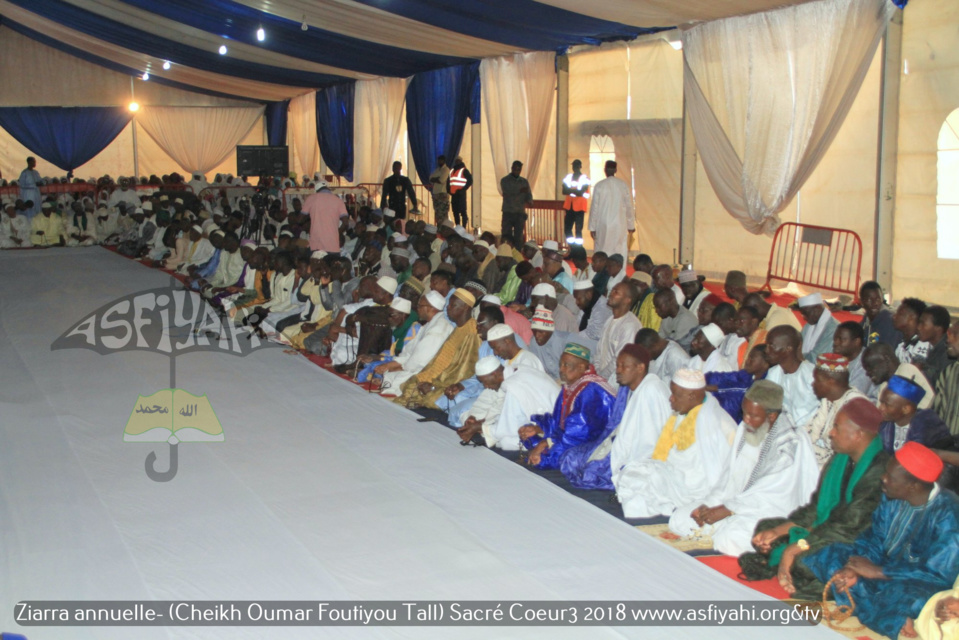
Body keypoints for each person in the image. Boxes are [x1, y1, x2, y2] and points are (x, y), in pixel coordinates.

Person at [803, 443, 959, 639]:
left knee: (916, 601)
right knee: (830, 554)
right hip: (879, 569)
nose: (883, 478)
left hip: (914, 582)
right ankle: (889, 615)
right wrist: (854, 567)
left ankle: (876, 607)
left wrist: (880, 572)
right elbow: (873, 538)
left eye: (890, 477)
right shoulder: (891, 495)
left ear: (913, 486)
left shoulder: (950, 515)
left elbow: (938, 574)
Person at [742, 398, 890, 600]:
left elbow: (848, 528)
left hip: (856, 543)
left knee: (803, 561)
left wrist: (797, 547)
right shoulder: (841, 459)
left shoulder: (879, 472)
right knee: (765, 529)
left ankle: (796, 568)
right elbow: (816, 508)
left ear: (858, 435)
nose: (831, 433)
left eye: (837, 427)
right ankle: (790, 564)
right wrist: (778, 531)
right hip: (824, 531)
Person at [669, 380, 819, 556]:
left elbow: (773, 498)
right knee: (679, 518)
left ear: (772, 416)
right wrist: (709, 506)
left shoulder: (789, 445)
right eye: (744, 413)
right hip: (733, 504)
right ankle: (721, 526)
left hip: (770, 514)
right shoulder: (745, 428)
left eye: (753, 416)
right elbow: (728, 478)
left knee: (729, 539)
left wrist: (727, 510)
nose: (746, 420)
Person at [615, 368, 737, 518]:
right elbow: (666, 456)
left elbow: (725, 470)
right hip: (673, 476)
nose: (670, 398)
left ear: (691, 396)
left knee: (644, 484)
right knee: (633, 474)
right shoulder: (682, 413)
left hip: (695, 488)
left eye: (676, 395)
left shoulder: (719, 422)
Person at [562, 344, 671, 490]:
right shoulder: (627, 388)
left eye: (624, 366)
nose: (618, 370)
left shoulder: (652, 390)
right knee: (569, 457)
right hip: (618, 443)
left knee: (590, 474)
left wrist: (622, 462)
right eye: (618, 365)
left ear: (640, 368)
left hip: (644, 458)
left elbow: (650, 441)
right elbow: (615, 425)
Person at [518, 343, 616, 469]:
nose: (561, 369)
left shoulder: (592, 390)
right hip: (569, 438)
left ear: (581, 367)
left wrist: (545, 443)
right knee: (529, 435)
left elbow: (580, 433)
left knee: (565, 458)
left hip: (594, 444)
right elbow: (558, 422)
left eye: (566, 365)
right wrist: (538, 429)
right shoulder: (572, 385)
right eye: (560, 365)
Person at [393, 289, 480, 409]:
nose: (447, 308)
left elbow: (464, 370)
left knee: (431, 399)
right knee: (411, 383)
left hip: (449, 384)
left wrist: (435, 386)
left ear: (465, 307)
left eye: (452, 305)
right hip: (438, 377)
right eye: (448, 304)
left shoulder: (472, 332)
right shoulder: (459, 327)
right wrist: (429, 378)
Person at [457, 356, 560, 451]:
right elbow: (501, 406)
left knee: (506, 442)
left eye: (484, 382)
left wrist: (481, 428)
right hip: (545, 414)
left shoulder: (513, 385)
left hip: (553, 424)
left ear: (494, 374)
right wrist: (480, 421)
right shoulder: (513, 371)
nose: (485, 386)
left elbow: (511, 425)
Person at [377, 291, 453, 394]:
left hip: (425, 372)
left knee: (394, 382)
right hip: (413, 368)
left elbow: (419, 361)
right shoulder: (429, 325)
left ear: (430, 308)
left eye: (420, 306)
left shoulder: (438, 329)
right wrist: (389, 365)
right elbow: (409, 351)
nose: (417, 309)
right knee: (387, 375)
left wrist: (398, 368)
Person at [803, 353, 867, 468]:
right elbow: (812, 431)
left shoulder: (856, 405)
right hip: (821, 460)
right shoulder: (828, 399)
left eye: (817, 380)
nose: (813, 384)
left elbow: (842, 452)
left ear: (831, 382)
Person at [878, 375, 952, 453]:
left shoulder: (926, 425)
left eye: (887, 405)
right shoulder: (885, 426)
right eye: (881, 402)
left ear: (906, 409)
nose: (880, 407)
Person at [765, 326, 819, 431]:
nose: (767, 350)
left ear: (788, 349)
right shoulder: (773, 373)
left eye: (772, 346)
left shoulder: (812, 376)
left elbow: (805, 418)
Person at [595, 281, 643, 387]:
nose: (611, 294)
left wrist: (601, 378)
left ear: (627, 300)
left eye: (616, 292)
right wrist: (596, 373)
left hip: (616, 383)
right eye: (612, 290)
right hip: (601, 379)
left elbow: (619, 359)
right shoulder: (609, 320)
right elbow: (599, 350)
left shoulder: (630, 325)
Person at [862, 342, 936, 409]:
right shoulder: (883, 387)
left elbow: (906, 412)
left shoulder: (906, 370)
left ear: (886, 359)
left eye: (870, 367)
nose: (867, 373)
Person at [588, 160, 634, 259]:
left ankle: (602, 267)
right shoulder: (623, 185)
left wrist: (592, 227)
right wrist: (631, 225)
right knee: (619, 250)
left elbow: (594, 208)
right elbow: (629, 206)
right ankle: (620, 268)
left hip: (603, 224)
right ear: (615, 170)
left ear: (604, 170)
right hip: (619, 224)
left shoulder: (599, 185)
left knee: (602, 249)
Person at [526, 307, 570, 380]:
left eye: (541, 332)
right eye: (534, 331)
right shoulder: (534, 343)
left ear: (550, 331)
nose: (537, 335)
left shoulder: (563, 341)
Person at [305, 178, 347, 253]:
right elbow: (346, 223)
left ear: (316, 190)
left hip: (316, 244)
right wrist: (337, 232)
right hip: (333, 245)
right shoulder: (338, 201)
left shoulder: (311, 199)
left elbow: (301, 219)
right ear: (328, 188)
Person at [796, 292, 839, 363]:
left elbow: (818, 357)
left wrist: (794, 357)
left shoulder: (833, 328)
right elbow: (799, 344)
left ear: (817, 308)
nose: (804, 318)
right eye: (802, 314)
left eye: (806, 313)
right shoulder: (809, 325)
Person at [933, 321, 959, 435]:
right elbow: (938, 415)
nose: (948, 340)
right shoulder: (948, 373)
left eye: (955, 334)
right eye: (949, 334)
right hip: (947, 442)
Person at [832, 321, 872, 395]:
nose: (835, 343)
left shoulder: (866, 363)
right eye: (835, 339)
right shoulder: (839, 356)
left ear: (857, 342)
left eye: (841, 339)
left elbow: (852, 395)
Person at [917, 305, 952, 388]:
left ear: (938, 329)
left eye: (923, 324)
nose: (918, 327)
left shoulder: (947, 354)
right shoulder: (934, 348)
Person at [859, 280, 901, 347]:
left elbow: (887, 351)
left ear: (882, 299)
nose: (875, 303)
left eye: (878, 299)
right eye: (869, 300)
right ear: (861, 302)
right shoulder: (865, 322)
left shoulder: (890, 322)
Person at [500, 160, 532, 247]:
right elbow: (507, 193)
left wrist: (530, 200)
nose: (517, 171)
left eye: (519, 169)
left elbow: (528, 193)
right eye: (515, 169)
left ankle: (517, 252)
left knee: (519, 236)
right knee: (506, 235)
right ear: (512, 168)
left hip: (519, 212)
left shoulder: (524, 181)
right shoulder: (505, 180)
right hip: (508, 212)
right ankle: (505, 251)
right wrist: (520, 191)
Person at [561, 159, 590, 245]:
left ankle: (578, 249)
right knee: (567, 229)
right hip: (569, 207)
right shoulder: (568, 177)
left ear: (580, 167)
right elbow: (564, 191)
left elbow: (581, 192)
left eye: (576, 166)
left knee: (578, 230)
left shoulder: (584, 178)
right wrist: (576, 191)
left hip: (580, 208)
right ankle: (572, 247)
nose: (575, 167)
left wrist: (570, 191)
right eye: (574, 166)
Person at [894, 297, 930, 365]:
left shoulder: (923, 344)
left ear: (911, 318)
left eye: (899, 313)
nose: (894, 316)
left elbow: (915, 370)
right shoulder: (901, 346)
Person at [447, 156, 472, 228]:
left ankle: (463, 227)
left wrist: (463, 189)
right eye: (456, 161)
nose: (457, 162)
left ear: (461, 161)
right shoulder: (451, 171)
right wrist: (448, 190)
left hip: (461, 194)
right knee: (455, 212)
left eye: (458, 161)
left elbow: (470, 180)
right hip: (454, 194)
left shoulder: (464, 170)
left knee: (463, 211)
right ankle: (458, 226)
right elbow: (448, 181)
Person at [428, 155, 450, 224]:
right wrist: (436, 178)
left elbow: (441, 180)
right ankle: (439, 227)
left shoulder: (446, 169)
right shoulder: (437, 170)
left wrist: (435, 179)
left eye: (440, 160)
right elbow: (430, 178)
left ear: (444, 161)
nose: (439, 162)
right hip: (436, 193)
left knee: (443, 213)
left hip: (442, 193)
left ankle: (443, 227)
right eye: (438, 160)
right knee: (437, 212)